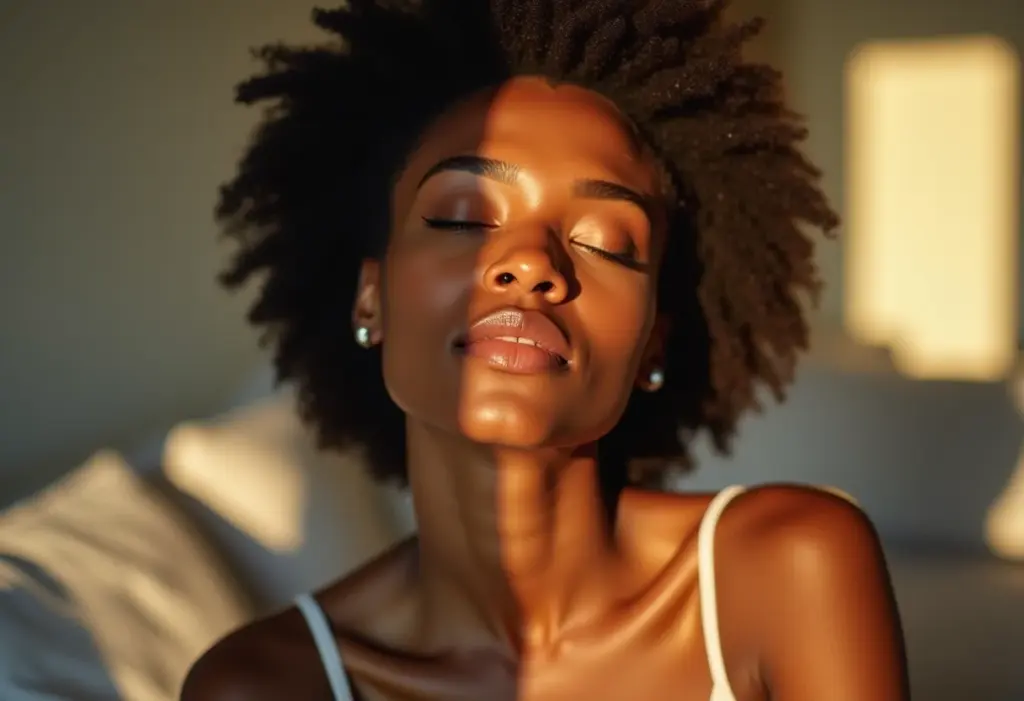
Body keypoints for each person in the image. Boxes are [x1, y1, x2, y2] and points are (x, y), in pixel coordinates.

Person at [182, 1, 909, 699]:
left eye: (605, 241)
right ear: (372, 299)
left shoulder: (790, 567)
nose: (532, 262)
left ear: (653, 337)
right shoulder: (267, 683)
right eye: (462, 217)